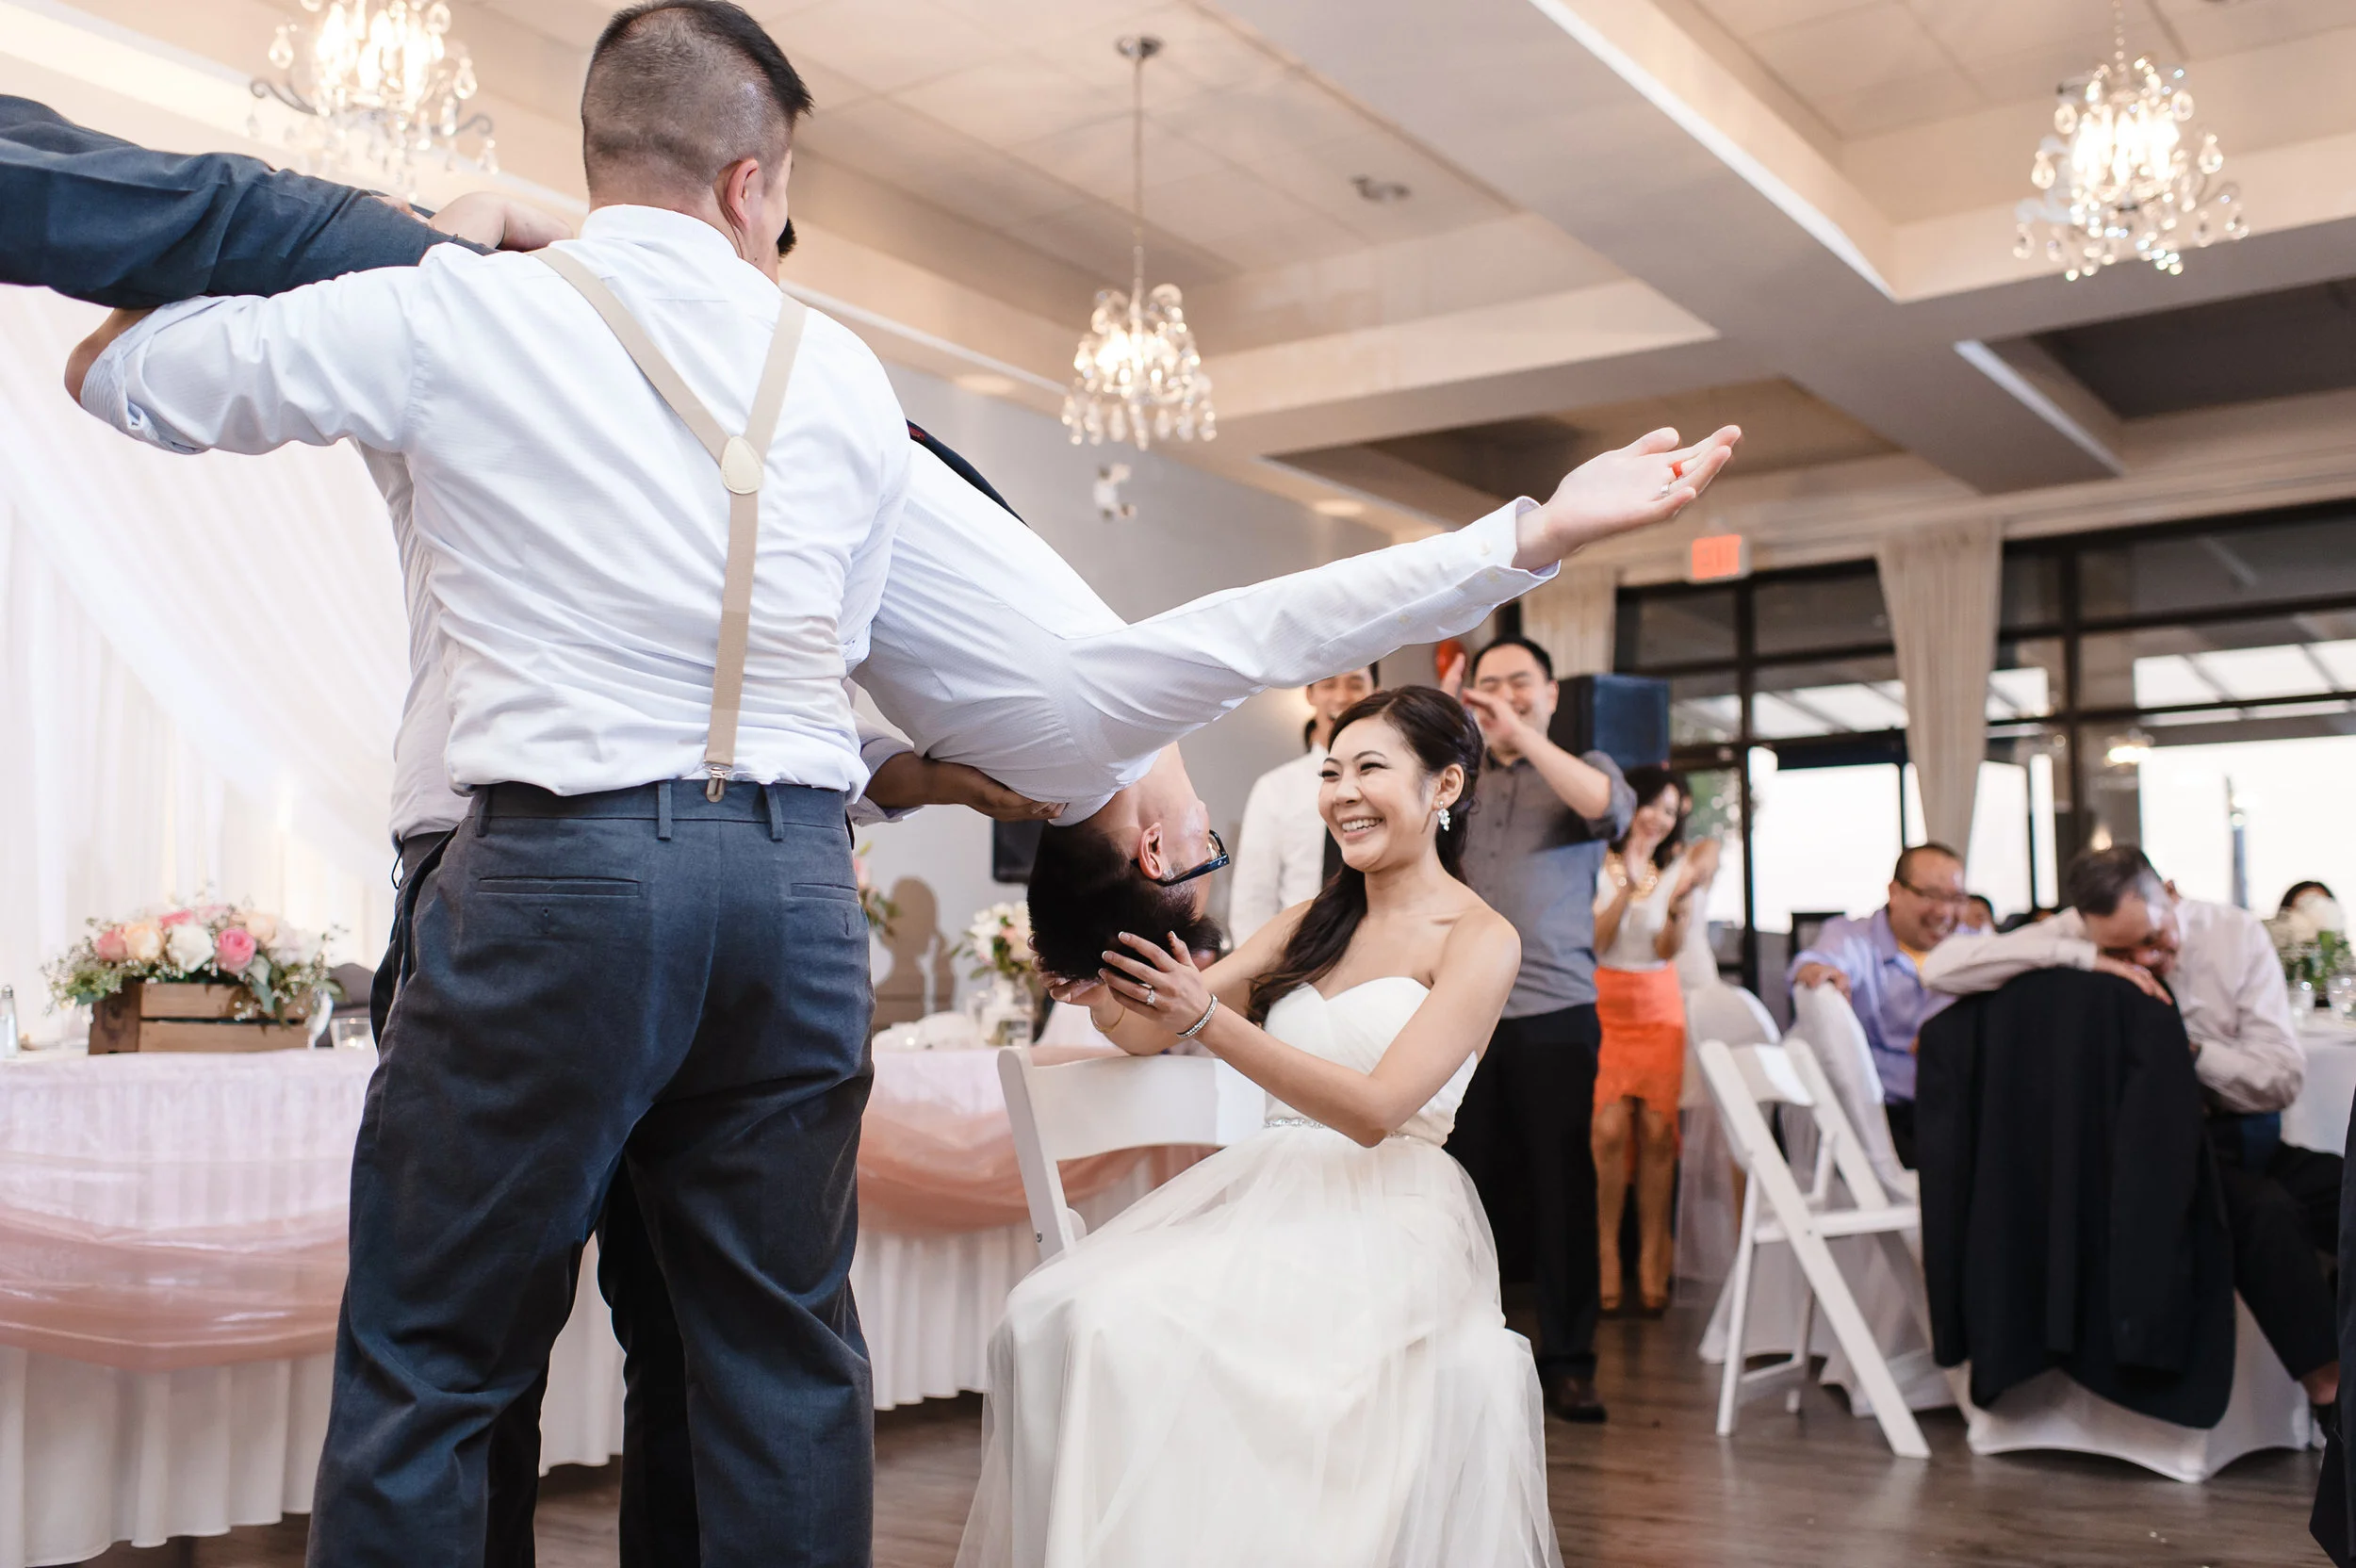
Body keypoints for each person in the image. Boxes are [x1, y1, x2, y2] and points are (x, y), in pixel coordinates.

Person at [74, 6, 912, 1560]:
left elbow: (120, 375)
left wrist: (413, 243)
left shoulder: (460, 309)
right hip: (798, 884)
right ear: (751, 183)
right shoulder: (850, 376)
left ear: (597, 155)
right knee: (780, 1360)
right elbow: (839, 647)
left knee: (439, 1358)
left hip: (564, 878)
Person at [962, 688, 1560, 1567]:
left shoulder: (1481, 938)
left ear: (1445, 786)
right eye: (1331, 772)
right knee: (1051, 1311)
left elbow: (1376, 1110)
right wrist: (1100, 992)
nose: (1342, 794)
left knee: (1131, 1327)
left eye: (1369, 769)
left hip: (1390, 1217)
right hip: (1271, 1195)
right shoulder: (1311, 922)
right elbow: (1154, 1030)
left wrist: (1207, 1019)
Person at [1922, 844, 2342, 1415]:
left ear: (2170, 893)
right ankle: (2330, 1392)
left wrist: (2187, 1052)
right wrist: (2082, 956)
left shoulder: (2234, 936)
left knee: (2338, 1191)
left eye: (2154, 938)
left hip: (2246, 1134)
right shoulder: (2079, 932)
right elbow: (1941, 968)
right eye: (2122, 950)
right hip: (2160, 1158)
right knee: (2265, 1214)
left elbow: (2282, 1080)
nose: (2146, 958)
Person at [1444, 634, 1635, 1424]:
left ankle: (1569, 1362)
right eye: (1488, 684)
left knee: (1563, 1189)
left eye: (1519, 682)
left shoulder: (1583, 767)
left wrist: (1521, 734)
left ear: (1550, 693)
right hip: (1459, 1014)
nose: (1502, 695)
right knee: (1460, 1188)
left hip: (1555, 1011)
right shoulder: (1457, 779)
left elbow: (1609, 810)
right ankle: (1464, 1355)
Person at [1592, 766, 1715, 1315]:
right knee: (1609, 1130)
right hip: (1607, 1003)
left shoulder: (1679, 869)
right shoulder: (1597, 862)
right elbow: (1596, 940)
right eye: (1651, 806)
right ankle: (1605, 1254)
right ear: (1629, 803)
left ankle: (1653, 1259)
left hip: (1660, 1007)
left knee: (1659, 1133)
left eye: (1669, 811)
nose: (1659, 819)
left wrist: (1678, 908)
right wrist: (1627, 882)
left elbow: (1666, 948)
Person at [1787, 842, 1969, 1168]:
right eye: (1930, 895)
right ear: (1894, 892)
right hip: (1879, 1118)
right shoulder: (1855, 939)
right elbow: (1817, 963)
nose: (1944, 912)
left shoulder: (1972, 946)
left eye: (1956, 898)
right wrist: (1817, 971)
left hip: (1959, 1107)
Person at [1228, 664, 1376, 941]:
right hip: (1298, 953)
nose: (1341, 697)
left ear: (1374, 693)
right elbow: (1252, 902)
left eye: (1355, 684)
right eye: (1328, 684)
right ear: (1310, 693)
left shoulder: (1389, 785)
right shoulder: (1275, 788)